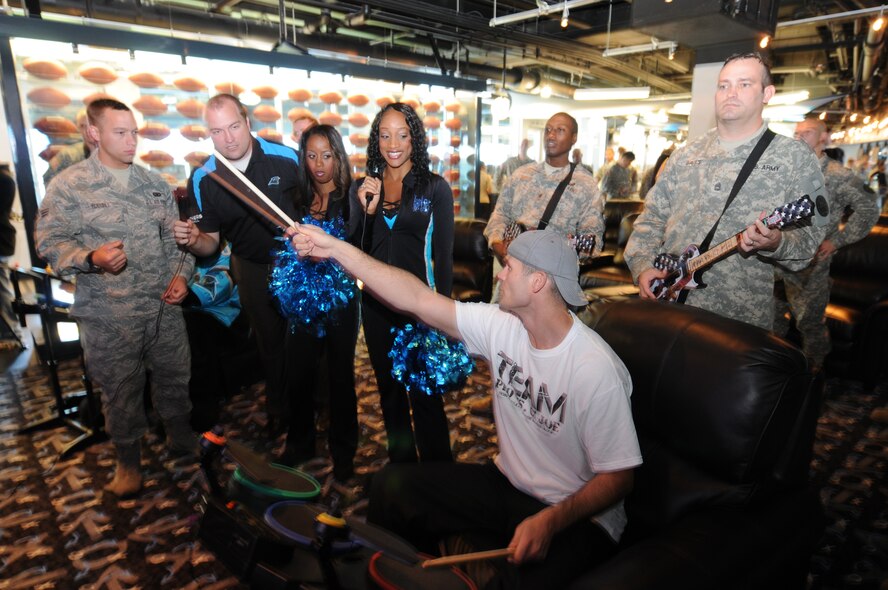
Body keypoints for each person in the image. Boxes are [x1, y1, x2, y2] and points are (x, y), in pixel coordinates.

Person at [289, 226, 641, 589]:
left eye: (510, 267)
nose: (500, 273)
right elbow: (416, 298)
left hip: (578, 516)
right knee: (392, 488)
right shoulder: (504, 325)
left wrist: (550, 521)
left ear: (537, 282)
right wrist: (336, 250)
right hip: (509, 484)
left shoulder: (594, 369)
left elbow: (619, 478)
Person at [34, 98, 195, 497]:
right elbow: (49, 243)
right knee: (120, 389)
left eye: (134, 132)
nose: (131, 141)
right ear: (94, 134)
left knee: (176, 377)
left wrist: (184, 277)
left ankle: (179, 436)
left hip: (162, 306)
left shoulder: (154, 184)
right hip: (109, 314)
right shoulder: (70, 186)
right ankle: (128, 462)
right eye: (120, 132)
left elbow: (175, 241)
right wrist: (90, 258)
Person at [624, 52, 827, 331]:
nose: (731, 93)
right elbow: (651, 218)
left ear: (767, 93)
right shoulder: (686, 155)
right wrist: (643, 266)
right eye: (723, 85)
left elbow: (808, 244)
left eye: (744, 84)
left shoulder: (794, 158)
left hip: (737, 320)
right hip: (669, 305)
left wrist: (776, 242)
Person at [172, 93, 301, 439]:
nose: (228, 139)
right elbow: (210, 243)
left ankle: (314, 407)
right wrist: (191, 239)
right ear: (208, 134)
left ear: (247, 123)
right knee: (269, 344)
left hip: (299, 262)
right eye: (217, 131)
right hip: (251, 266)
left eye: (233, 127)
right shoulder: (204, 178)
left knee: (305, 340)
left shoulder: (287, 159)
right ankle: (279, 411)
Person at [351, 102, 454, 463]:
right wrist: (367, 209)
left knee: (424, 394)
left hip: (420, 306)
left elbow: (443, 256)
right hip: (377, 306)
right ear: (375, 140)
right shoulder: (364, 187)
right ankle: (403, 470)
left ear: (415, 138)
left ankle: (439, 473)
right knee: (389, 393)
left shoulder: (435, 188)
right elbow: (358, 252)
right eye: (384, 134)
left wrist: (446, 314)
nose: (392, 143)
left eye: (401, 134)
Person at [283, 124, 359, 482]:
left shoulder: (353, 198)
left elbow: (360, 250)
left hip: (342, 299)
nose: (319, 164)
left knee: (340, 377)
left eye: (326, 155)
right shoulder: (295, 199)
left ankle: (344, 452)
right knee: (297, 374)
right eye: (311, 155)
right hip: (301, 298)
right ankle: (300, 443)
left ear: (338, 157)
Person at [773, 117, 879, 372]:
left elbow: (868, 208)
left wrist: (837, 240)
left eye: (807, 132)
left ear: (824, 138)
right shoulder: (786, 170)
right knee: (770, 320)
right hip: (776, 258)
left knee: (809, 324)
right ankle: (771, 373)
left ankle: (813, 380)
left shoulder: (839, 175)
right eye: (796, 132)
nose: (799, 137)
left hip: (811, 264)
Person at [484, 112, 604, 270]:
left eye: (560, 130)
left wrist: (560, 243)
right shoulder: (521, 175)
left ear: (574, 138)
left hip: (554, 279)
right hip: (512, 273)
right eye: (547, 130)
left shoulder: (585, 184)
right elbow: (500, 215)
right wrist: (498, 244)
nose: (551, 135)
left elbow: (592, 241)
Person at [43, 109, 97, 189]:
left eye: (91, 125)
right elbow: (49, 181)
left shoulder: (115, 152)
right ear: (78, 128)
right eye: (82, 126)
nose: (87, 130)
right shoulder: (68, 155)